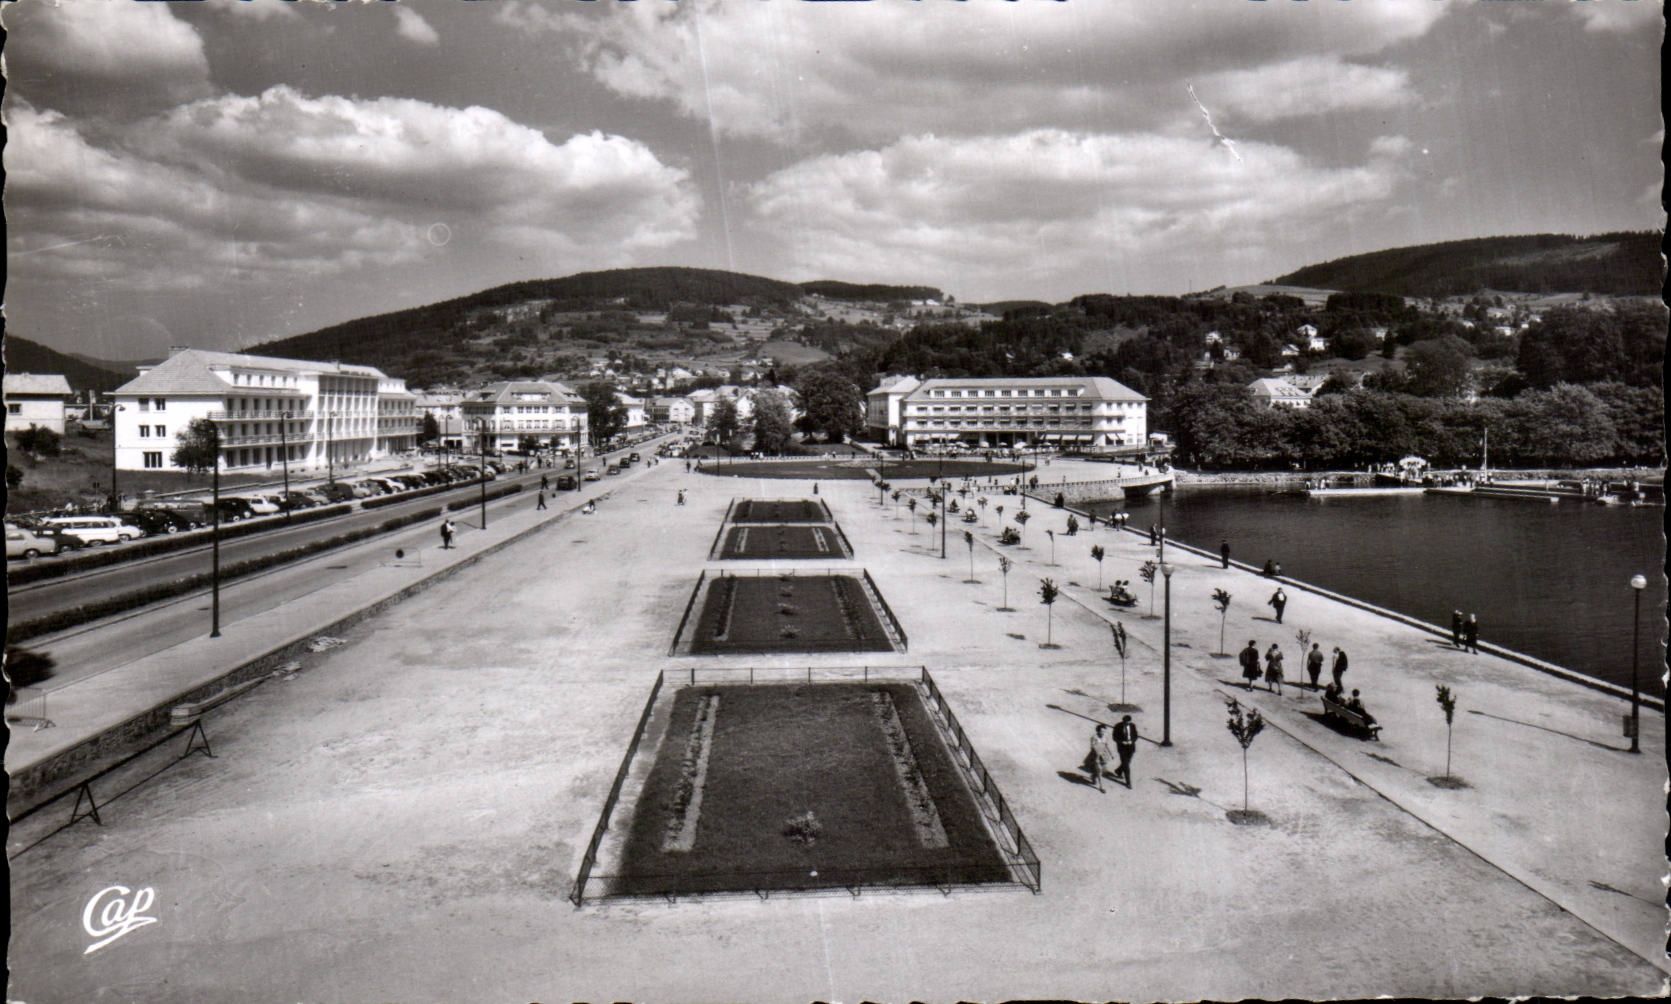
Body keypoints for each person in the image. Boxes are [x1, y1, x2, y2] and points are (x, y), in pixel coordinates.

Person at [1084, 724, 1115, 793]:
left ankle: (1094, 776)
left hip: (1103, 755)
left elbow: (1106, 746)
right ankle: (1101, 786)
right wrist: (1098, 752)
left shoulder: (1105, 737)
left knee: (1100, 770)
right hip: (1096, 755)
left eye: (1104, 731)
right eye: (1101, 731)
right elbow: (1092, 747)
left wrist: (1111, 754)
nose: (1103, 733)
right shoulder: (1094, 737)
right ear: (1098, 731)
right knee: (1099, 770)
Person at [1111, 715, 1139, 787]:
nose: (1127, 724)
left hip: (1131, 747)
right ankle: (1128, 782)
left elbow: (1136, 736)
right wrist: (1121, 742)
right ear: (1123, 721)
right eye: (1126, 723)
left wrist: (1132, 741)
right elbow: (1114, 737)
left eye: (1128, 723)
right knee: (1126, 765)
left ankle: (1119, 770)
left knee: (1127, 762)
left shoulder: (1132, 726)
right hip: (1122, 748)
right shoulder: (1118, 726)